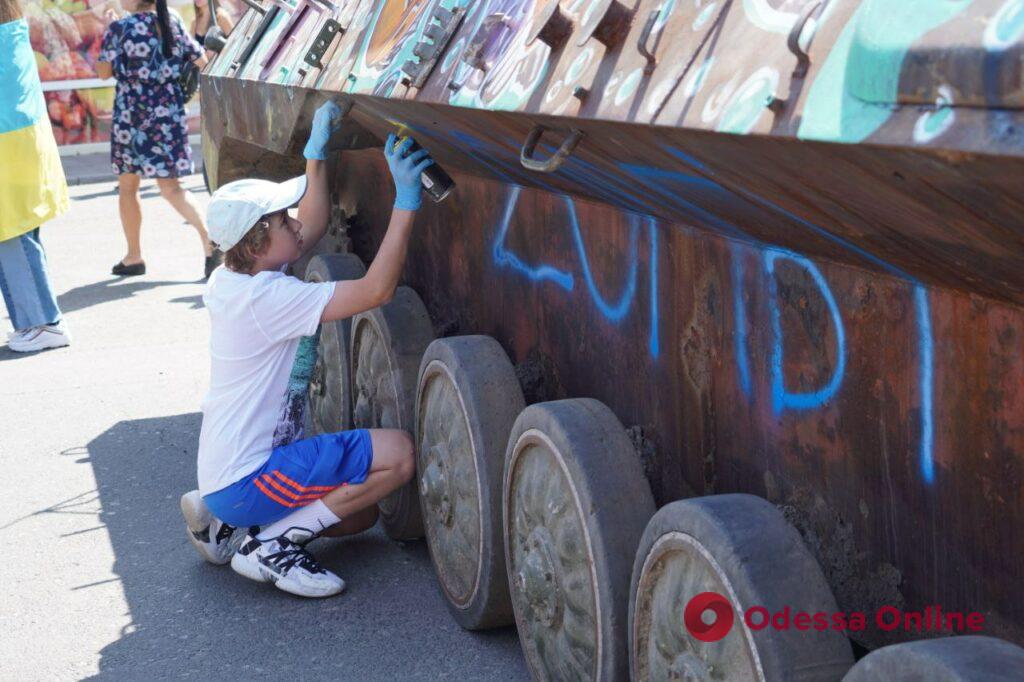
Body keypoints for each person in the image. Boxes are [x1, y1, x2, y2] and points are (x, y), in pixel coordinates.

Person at [178, 101, 435, 597]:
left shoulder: (235, 279)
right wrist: (407, 202)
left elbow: (310, 229)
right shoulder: (268, 298)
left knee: (357, 514)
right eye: (281, 220)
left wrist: (316, 154)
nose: (295, 223)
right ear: (255, 243)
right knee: (398, 457)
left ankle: (230, 526)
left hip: (228, 471)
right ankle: (268, 544)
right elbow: (375, 291)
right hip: (249, 476)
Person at [96, 0, 221, 279]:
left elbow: (103, 72)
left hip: (132, 117)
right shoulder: (171, 20)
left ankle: (134, 256)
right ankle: (209, 240)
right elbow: (200, 59)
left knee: (128, 187)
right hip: (167, 113)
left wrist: (109, 33)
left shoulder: (119, 28)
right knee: (172, 187)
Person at [0, 0, 71, 353]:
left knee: (12, 237)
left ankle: (44, 323)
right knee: (17, 235)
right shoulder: (12, 30)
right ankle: (33, 322)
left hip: (8, 150)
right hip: (21, 148)